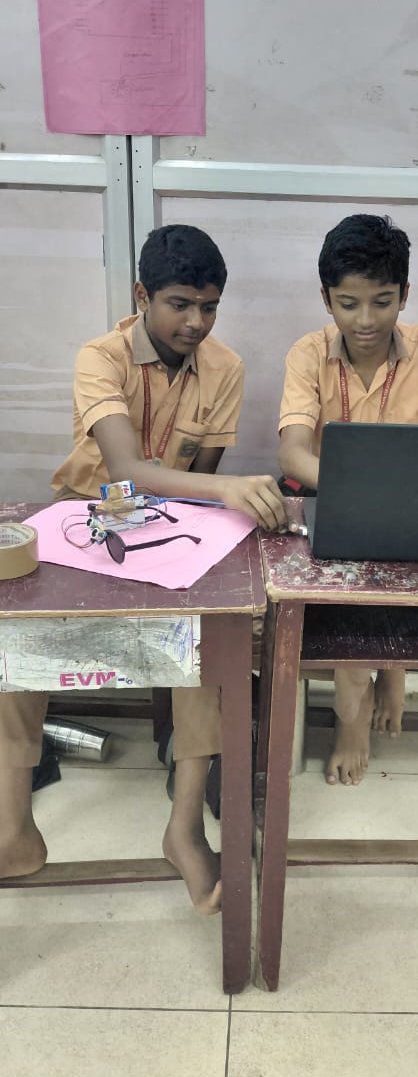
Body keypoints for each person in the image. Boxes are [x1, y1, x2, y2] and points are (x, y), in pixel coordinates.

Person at [0, 223, 287, 914]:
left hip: (171, 527)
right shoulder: (99, 357)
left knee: (206, 637)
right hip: (83, 521)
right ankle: (13, 828)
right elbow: (124, 473)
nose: (196, 322)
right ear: (142, 296)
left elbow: (195, 488)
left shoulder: (226, 366)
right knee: (16, 640)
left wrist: (202, 500)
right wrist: (219, 490)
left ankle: (183, 829)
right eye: (180, 304)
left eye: (210, 306)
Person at [278, 214, 418, 787]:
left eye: (383, 300)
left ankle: (393, 668)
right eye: (348, 303)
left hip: (413, 512)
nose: (365, 320)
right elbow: (294, 457)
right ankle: (354, 717)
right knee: (349, 611)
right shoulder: (307, 353)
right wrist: (361, 495)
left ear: (405, 295)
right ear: (326, 299)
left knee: (411, 578)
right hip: (334, 504)